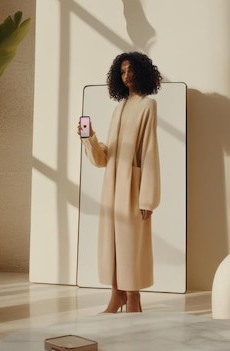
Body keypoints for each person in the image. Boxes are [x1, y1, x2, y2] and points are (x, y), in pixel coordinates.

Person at [77, 52, 161, 313]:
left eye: (132, 70)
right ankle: (117, 295)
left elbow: (149, 152)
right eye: (123, 72)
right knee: (112, 242)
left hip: (132, 186)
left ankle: (133, 298)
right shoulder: (118, 108)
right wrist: (88, 137)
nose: (127, 76)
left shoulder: (148, 106)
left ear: (142, 72)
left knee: (130, 243)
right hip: (111, 185)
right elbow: (104, 158)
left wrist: (147, 197)